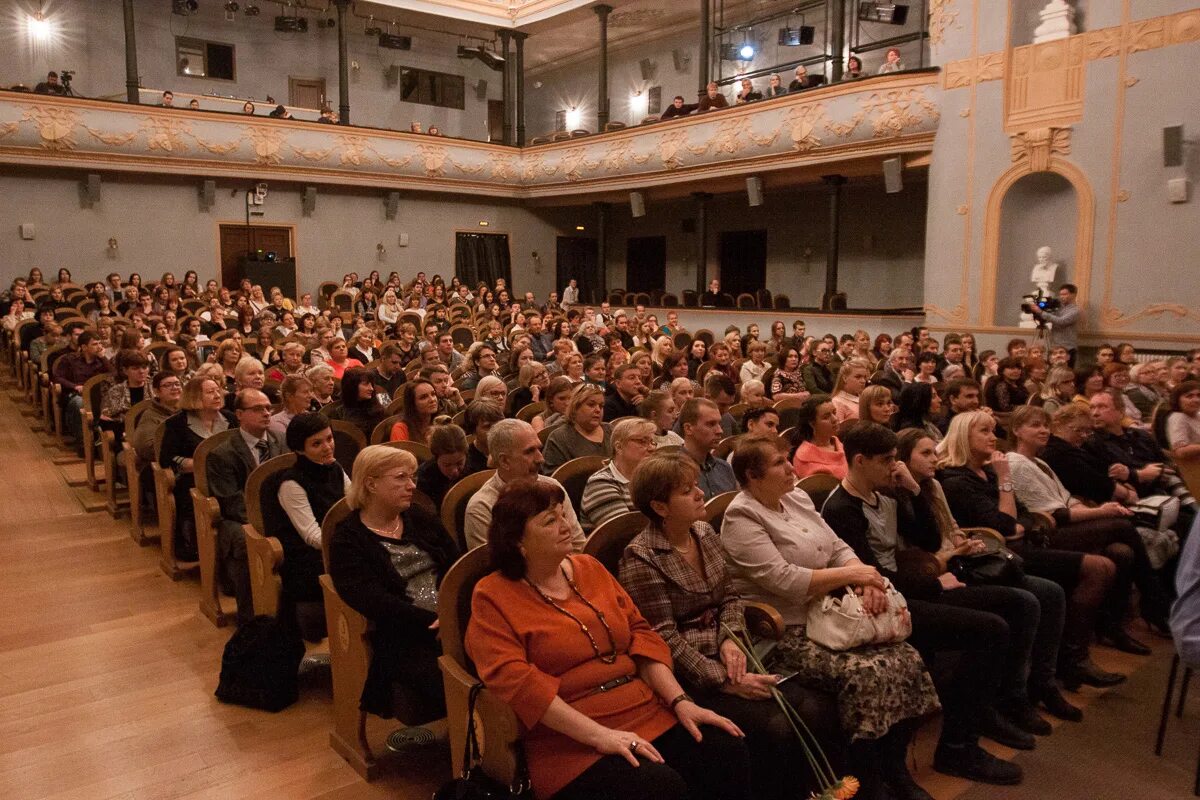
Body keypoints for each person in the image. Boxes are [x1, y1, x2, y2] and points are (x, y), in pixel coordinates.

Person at [466, 480, 752, 800]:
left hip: (643, 706)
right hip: (569, 736)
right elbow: (518, 684)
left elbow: (641, 636)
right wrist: (602, 736)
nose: (565, 525)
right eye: (550, 521)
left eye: (563, 515)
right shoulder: (492, 595)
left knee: (724, 750)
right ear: (517, 541)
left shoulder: (589, 567)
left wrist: (680, 702)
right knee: (657, 787)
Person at [721, 436, 941, 800]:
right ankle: (866, 781)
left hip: (832, 615)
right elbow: (785, 579)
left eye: (788, 459)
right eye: (779, 463)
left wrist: (864, 576)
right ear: (752, 475)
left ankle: (894, 767)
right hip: (785, 629)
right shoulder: (742, 516)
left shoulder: (796, 497)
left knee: (906, 657)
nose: (791, 468)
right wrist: (855, 577)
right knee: (864, 672)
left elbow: (838, 547)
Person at [620, 451, 843, 800]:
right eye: (685, 491)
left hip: (733, 653)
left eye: (696, 485)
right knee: (776, 725)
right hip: (688, 673)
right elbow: (660, 636)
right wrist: (722, 680)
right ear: (660, 507)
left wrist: (730, 640)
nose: (699, 494)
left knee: (816, 708)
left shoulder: (704, 532)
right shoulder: (642, 556)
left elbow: (731, 598)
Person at [824, 422, 1044, 774]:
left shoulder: (887, 494)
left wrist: (913, 491)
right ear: (861, 461)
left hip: (911, 588)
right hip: (888, 602)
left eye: (897, 459)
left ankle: (993, 707)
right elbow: (872, 575)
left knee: (1018, 603)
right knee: (990, 630)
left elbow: (926, 540)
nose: (895, 467)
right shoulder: (841, 509)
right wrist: (934, 583)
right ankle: (957, 746)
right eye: (888, 460)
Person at [937, 411, 1127, 690]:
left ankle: (1068, 664)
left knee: (1118, 551)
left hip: (1022, 544)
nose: (993, 438)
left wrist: (1015, 519)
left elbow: (1022, 516)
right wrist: (1005, 483)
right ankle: (1068, 664)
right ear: (963, 437)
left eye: (993, 430)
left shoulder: (987, 473)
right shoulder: (957, 481)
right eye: (984, 432)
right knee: (1100, 564)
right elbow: (1004, 524)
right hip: (996, 555)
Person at [1006, 405, 1170, 645]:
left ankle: (1111, 627)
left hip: (1067, 522)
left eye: (1045, 425)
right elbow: (1054, 513)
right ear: (1017, 431)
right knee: (1121, 526)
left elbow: (1069, 500)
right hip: (1047, 531)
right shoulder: (1017, 463)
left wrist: (1098, 511)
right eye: (1035, 425)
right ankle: (1154, 604)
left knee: (1121, 552)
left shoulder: (1039, 462)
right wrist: (1100, 512)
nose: (1043, 431)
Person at [329, 445, 459, 722]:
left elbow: (455, 565)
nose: (412, 486)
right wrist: (432, 620)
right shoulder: (348, 540)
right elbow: (373, 599)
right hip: (404, 635)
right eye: (401, 477)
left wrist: (453, 613)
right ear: (371, 484)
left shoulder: (419, 517)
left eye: (412, 477)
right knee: (456, 681)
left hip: (454, 620)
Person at [206, 389, 287, 624]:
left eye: (268, 408)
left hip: (278, 511)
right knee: (247, 540)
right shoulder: (223, 453)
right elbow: (231, 501)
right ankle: (251, 618)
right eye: (258, 409)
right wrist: (267, 523)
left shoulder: (280, 440)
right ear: (239, 414)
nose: (266, 413)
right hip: (239, 518)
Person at [464, 419, 586, 550]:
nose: (540, 458)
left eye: (539, 449)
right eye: (529, 451)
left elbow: (579, 546)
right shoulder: (481, 507)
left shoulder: (553, 487)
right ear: (504, 461)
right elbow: (496, 566)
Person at [160, 377, 237, 562]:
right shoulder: (177, 423)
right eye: (210, 392)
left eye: (218, 390)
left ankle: (229, 548)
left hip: (227, 476)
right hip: (192, 478)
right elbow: (166, 458)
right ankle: (196, 546)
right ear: (194, 396)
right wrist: (196, 464)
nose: (217, 395)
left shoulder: (230, 418)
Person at [580, 418, 658, 530]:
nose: (652, 448)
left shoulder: (653, 478)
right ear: (619, 447)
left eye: (652, 442)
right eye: (642, 441)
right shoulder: (600, 483)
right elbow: (625, 532)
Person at [52, 331, 112, 454]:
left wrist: (103, 357)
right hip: (76, 394)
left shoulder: (102, 361)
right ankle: (84, 444)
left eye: (100, 343)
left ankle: (101, 441)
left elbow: (114, 375)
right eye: (95, 344)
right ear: (84, 347)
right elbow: (57, 378)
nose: (99, 347)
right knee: (80, 404)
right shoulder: (70, 359)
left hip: (99, 396)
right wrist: (75, 386)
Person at [543, 384, 612, 474]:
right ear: (575, 407)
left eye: (601, 406)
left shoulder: (611, 430)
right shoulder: (559, 438)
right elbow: (555, 478)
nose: (598, 410)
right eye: (591, 405)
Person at [790, 395, 847, 480]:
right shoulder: (804, 458)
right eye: (826, 417)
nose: (835, 419)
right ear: (812, 424)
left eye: (834, 413)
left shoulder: (840, 444)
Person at [416, 424, 468, 510]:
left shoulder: (475, 465)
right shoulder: (425, 476)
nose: (454, 471)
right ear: (436, 458)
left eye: (459, 463)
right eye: (447, 465)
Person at [1028, 284, 1080, 365]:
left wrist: (1041, 312)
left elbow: (1061, 321)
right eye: (1061, 294)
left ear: (1073, 295)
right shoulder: (1059, 308)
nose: (1062, 297)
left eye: (1065, 294)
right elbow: (1050, 318)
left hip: (1068, 348)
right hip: (1055, 346)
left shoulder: (1075, 310)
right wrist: (1039, 312)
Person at [327, 367, 383, 441]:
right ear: (352, 386)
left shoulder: (378, 410)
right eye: (365, 384)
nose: (371, 388)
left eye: (371, 384)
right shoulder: (337, 414)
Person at [389, 378, 438, 444]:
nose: (432, 399)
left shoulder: (440, 422)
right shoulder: (400, 428)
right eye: (423, 397)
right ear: (412, 403)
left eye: (433, 394)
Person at [1162, 380, 1200, 458]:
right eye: (1189, 396)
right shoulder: (1178, 418)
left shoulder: (1197, 414)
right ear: (1177, 400)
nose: (1196, 400)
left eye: (1199, 396)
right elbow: (1180, 451)